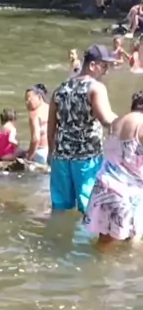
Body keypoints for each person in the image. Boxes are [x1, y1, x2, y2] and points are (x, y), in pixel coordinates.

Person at [47, 44, 118, 214]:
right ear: (92, 65)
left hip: (61, 156)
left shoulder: (60, 89)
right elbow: (106, 119)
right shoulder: (95, 88)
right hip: (86, 158)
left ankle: (57, 231)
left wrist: (51, 151)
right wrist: (129, 124)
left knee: (60, 207)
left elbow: (51, 125)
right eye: (104, 66)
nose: (106, 71)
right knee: (89, 207)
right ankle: (83, 233)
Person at [83, 91, 143, 247]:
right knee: (131, 242)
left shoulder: (118, 122)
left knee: (104, 242)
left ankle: (96, 263)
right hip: (127, 192)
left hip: (104, 185)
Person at [24, 84, 49, 164]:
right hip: (53, 151)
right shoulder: (51, 109)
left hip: (41, 153)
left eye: (29, 99)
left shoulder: (34, 113)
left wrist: (29, 157)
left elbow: (36, 139)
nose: (26, 102)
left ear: (39, 97)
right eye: (25, 100)